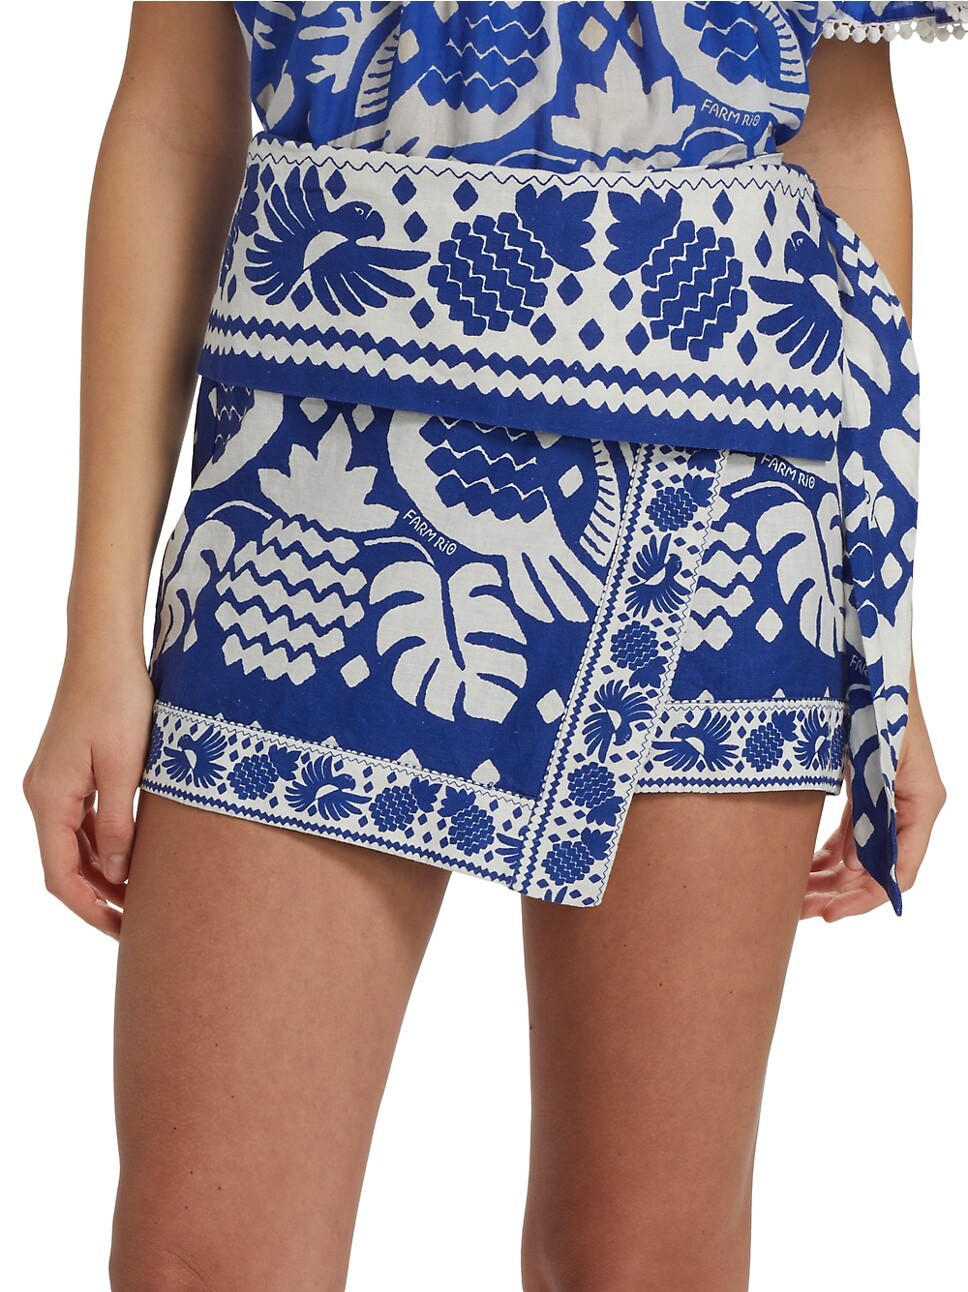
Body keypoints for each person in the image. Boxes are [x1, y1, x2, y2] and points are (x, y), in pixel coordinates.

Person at [23, 4, 960, 1289]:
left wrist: (881, 648)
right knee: (204, 1255)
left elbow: (844, 136)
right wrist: (97, 634)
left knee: (642, 1262)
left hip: (723, 509)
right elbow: (175, 121)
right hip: (312, 473)